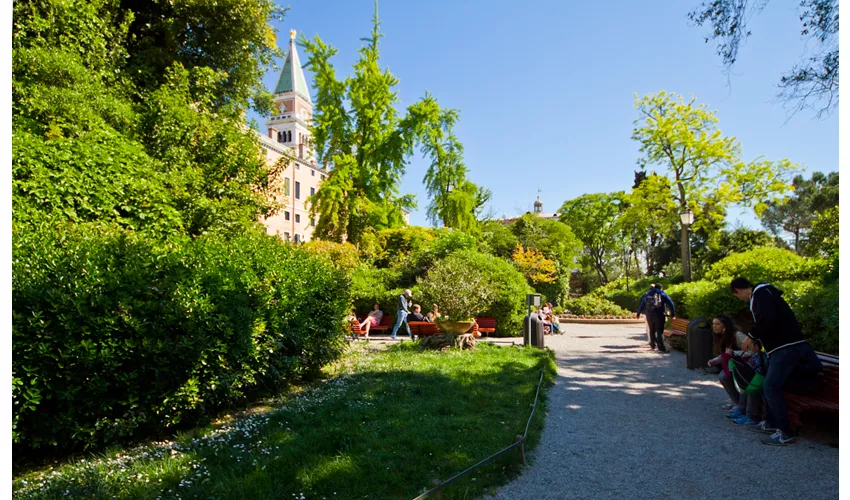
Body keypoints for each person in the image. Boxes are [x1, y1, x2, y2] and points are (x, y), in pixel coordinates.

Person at [729, 277, 824, 446]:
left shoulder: (760, 294)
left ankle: (785, 433)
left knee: (771, 386)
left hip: (785, 348)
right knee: (769, 384)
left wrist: (751, 336)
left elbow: (767, 318)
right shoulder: (765, 294)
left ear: (738, 290)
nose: (740, 299)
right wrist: (758, 341)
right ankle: (771, 424)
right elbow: (771, 322)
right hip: (783, 348)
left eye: (737, 296)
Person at [726, 337, 767, 427]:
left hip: (759, 381)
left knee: (751, 389)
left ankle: (751, 416)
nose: (749, 346)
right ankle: (742, 410)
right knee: (745, 386)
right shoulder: (755, 355)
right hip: (754, 379)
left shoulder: (761, 356)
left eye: (751, 344)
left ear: (757, 346)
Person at [707, 314, 740, 406]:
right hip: (733, 364)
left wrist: (734, 353)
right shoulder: (721, 336)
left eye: (717, 324)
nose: (714, 326)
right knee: (723, 376)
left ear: (725, 325)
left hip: (744, 365)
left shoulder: (737, 335)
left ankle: (739, 404)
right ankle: (736, 402)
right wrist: (715, 360)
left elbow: (752, 352)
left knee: (724, 376)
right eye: (713, 324)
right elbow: (725, 354)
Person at [636, 283, 675, 352]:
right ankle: (661, 347)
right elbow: (671, 303)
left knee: (652, 330)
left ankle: (652, 345)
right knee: (659, 330)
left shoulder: (647, 294)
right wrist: (673, 313)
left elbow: (642, 304)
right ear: (661, 288)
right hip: (659, 314)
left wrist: (638, 313)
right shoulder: (662, 294)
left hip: (649, 315)